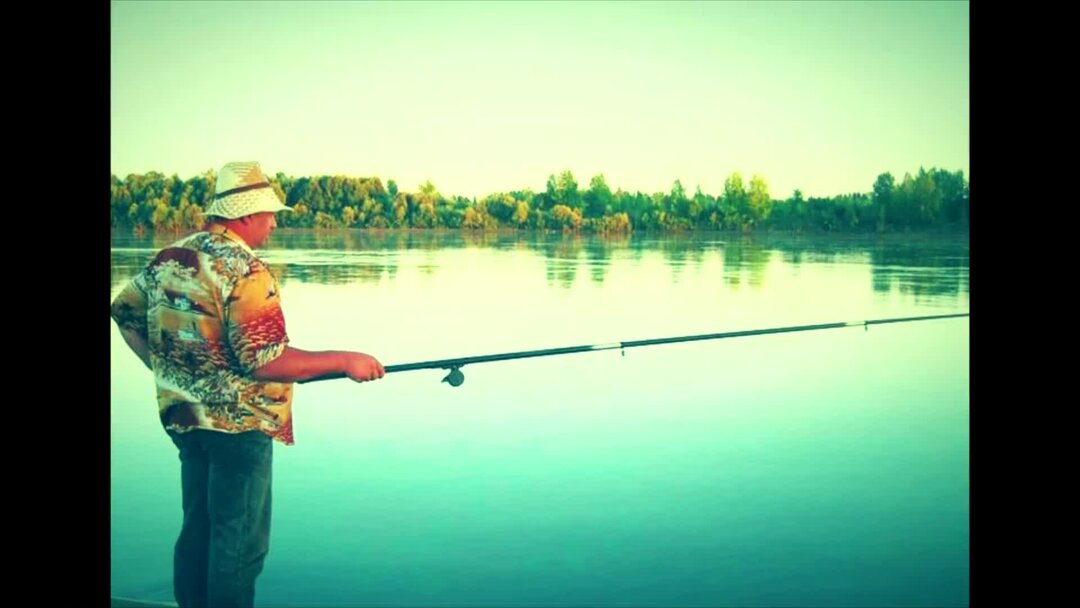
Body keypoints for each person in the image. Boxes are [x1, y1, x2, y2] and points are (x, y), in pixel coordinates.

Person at [110, 161, 385, 608]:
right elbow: (266, 360)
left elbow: (124, 314)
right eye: (269, 214)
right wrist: (347, 360)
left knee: (197, 530)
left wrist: (172, 374)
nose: (274, 223)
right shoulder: (246, 271)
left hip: (184, 418)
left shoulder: (171, 257)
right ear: (244, 215)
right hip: (240, 430)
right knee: (238, 547)